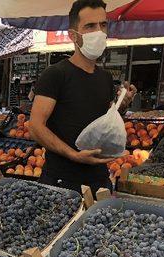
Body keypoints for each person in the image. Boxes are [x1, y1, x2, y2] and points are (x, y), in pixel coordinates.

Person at [29, 0, 136, 194]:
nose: (99, 32)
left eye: (103, 25)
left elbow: (101, 125)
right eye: (90, 26)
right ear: (73, 35)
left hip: (100, 180)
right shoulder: (55, 74)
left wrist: (122, 106)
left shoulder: (105, 78)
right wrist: (74, 155)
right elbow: (35, 127)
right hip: (61, 183)